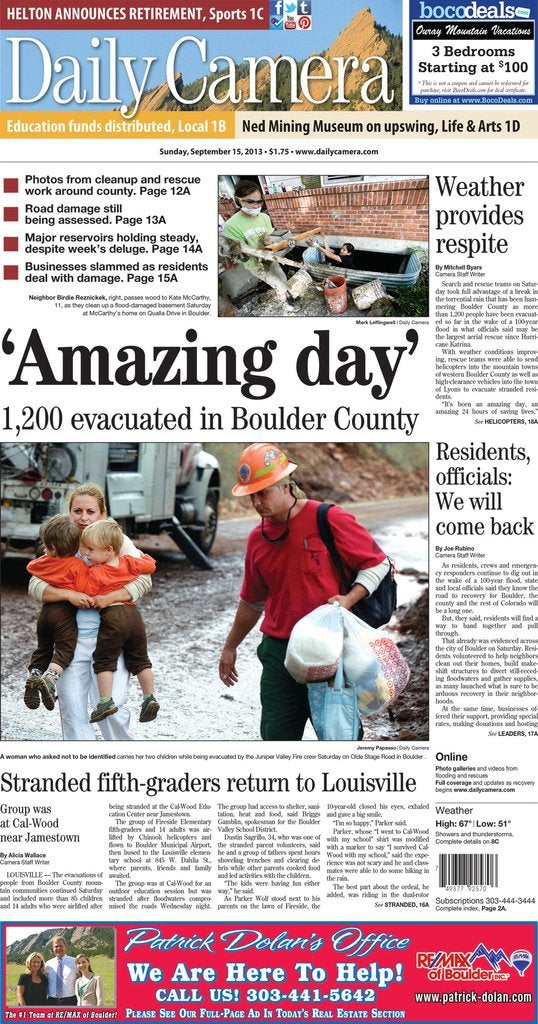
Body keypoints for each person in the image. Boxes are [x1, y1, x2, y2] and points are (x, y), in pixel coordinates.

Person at [218, 443, 390, 741]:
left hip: (331, 650)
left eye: (264, 493)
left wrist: (349, 599)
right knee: (276, 738)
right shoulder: (257, 539)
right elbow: (252, 600)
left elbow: (378, 564)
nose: (257, 503)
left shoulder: (327, 518)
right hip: (278, 653)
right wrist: (230, 646)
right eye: (252, 496)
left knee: (340, 738)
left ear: (287, 486)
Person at [27, 483, 152, 740]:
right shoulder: (61, 540)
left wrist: (109, 597)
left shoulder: (116, 541)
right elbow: (36, 584)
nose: (83, 517)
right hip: (70, 641)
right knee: (73, 714)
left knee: (111, 708)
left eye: (90, 511)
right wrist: (69, 594)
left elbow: (143, 579)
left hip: (110, 637)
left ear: (102, 514)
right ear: (69, 512)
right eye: (77, 510)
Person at [222, 179, 294, 304]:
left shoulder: (265, 217)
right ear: (238, 200)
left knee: (282, 278)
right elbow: (240, 253)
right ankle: (287, 305)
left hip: (270, 258)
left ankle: (288, 296)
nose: (256, 206)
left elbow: (270, 238)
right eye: (250, 202)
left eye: (259, 202)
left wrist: (270, 240)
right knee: (278, 285)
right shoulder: (231, 225)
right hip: (255, 264)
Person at [45, 936, 77, 1006]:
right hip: (52, 1001)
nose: (58, 948)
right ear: (53, 949)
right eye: (56, 946)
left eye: (61, 946)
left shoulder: (74, 962)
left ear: (65, 947)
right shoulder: (48, 964)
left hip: (70, 1001)